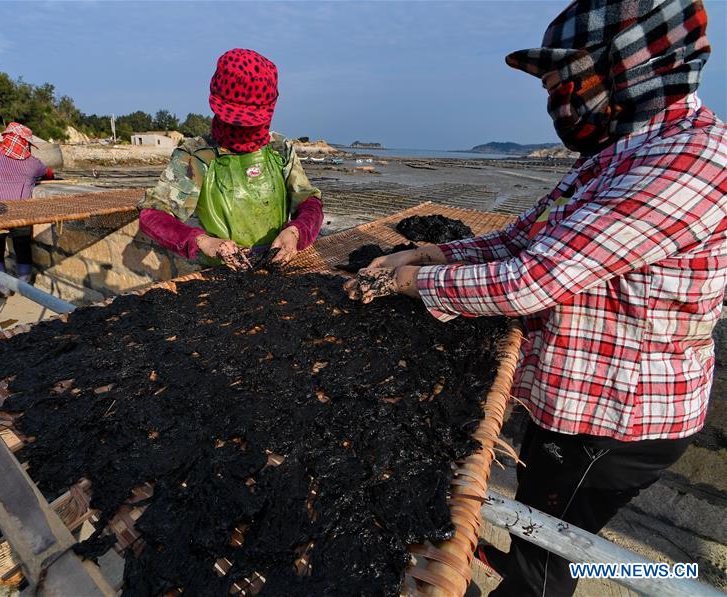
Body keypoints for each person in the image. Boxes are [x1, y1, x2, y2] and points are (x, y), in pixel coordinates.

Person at [345, 1, 724, 595]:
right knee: (541, 534)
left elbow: (531, 278)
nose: (559, 106)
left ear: (623, 68)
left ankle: (666, 577)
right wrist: (429, 254)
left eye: (564, 85)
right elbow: (526, 235)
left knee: (546, 562)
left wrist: (405, 282)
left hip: (614, 421)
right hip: (574, 404)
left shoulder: (685, 161)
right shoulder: (617, 150)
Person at [138, 48, 323, 270]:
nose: (244, 132)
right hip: (221, 272)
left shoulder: (279, 148)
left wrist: (295, 232)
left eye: (251, 125)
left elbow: (309, 203)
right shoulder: (197, 156)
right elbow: (154, 214)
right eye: (237, 123)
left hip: (277, 266)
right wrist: (203, 242)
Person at [0, 122, 52, 292]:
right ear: (26, 143)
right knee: (22, 246)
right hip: (20, 211)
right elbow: (48, 173)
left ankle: (3, 287)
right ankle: (24, 284)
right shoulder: (33, 164)